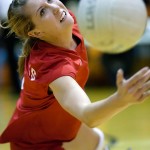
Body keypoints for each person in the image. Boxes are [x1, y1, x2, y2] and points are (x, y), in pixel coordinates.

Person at [0, 0, 150, 150]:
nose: (55, 8)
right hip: (33, 146)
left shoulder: (66, 23)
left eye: (50, 0)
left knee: (95, 138)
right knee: (89, 126)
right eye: (42, 11)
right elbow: (88, 115)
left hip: (53, 126)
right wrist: (121, 99)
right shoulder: (53, 68)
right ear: (36, 33)